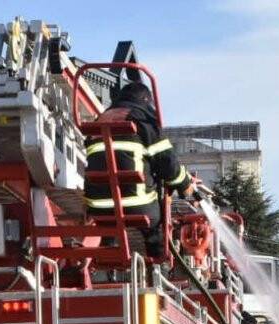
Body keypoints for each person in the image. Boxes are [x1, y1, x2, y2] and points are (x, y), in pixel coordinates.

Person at [83, 82, 195, 254]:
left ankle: (109, 254)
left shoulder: (100, 119)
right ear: (146, 100)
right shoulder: (143, 119)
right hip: (135, 204)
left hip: (98, 207)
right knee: (156, 227)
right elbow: (167, 164)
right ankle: (157, 267)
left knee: (111, 222)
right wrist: (185, 184)